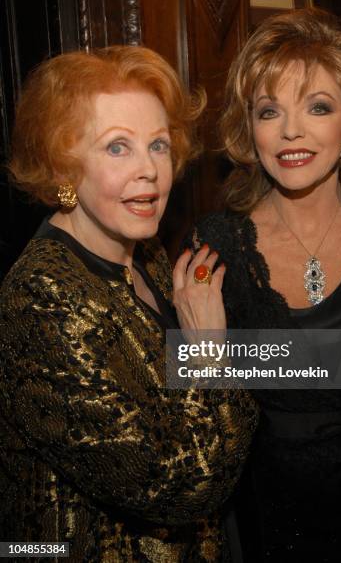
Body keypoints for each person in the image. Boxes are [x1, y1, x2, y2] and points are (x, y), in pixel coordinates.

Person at [0, 46, 258, 562]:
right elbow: (176, 487)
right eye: (118, 147)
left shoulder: (146, 253)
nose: (150, 171)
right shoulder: (40, 298)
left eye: (158, 145)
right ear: (63, 168)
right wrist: (209, 351)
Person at [184, 8, 341, 561]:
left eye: (318, 106)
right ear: (252, 131)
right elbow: (191, 417)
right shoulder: (214, 248)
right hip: (255, 521)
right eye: (270, 111)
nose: (291, 130)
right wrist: (204, 358)